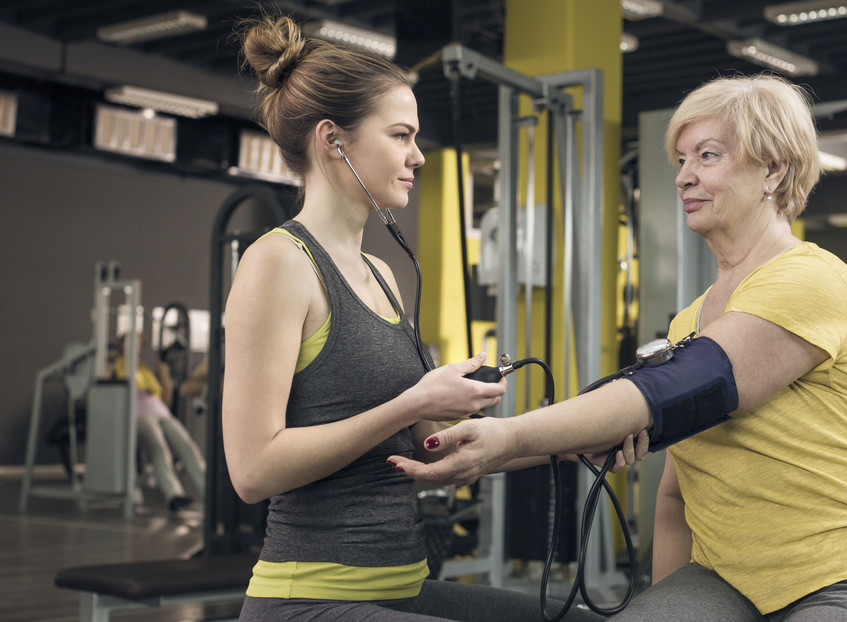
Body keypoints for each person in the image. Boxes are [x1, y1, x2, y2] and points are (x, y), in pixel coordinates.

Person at [391, 74, 847, 621]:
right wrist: (474, 451)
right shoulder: (690, 320)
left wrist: (509, 435)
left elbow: (686, 385)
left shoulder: (809, 277)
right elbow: (674, 499)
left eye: (708, 156)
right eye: (680, 161)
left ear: (774, 171)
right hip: (729, 579)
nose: (684, 177)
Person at [222, 13, 622, 621]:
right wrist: (412, 401)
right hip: (309, 599)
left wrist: (573, 445)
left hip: (400, 587)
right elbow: (253, 470)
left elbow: (426, 451)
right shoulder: (278, 263)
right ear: (334, 140)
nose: (419, 156)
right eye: (401, 135)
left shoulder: (383, 276)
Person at [112, 334, 206, 512]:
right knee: (160, 449)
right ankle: (174, 495)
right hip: (140, 416)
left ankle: (209, 493)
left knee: (188, 446)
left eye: (139, 344)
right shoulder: (119, 365)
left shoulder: (144, 368)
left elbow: (166, 396)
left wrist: (162, 366)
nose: (137, 347)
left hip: (162, 413)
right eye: (132, 343)